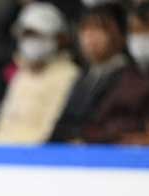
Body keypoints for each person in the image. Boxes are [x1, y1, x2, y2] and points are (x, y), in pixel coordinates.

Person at [0, 2, 80, 144]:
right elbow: (3, 124)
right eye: (26, 35)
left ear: (59, 38)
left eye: (37, 35)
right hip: (3, 148)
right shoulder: (22, 74)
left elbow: (47, 133)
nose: (30, 42)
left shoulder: (69, 75)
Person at [82, 1, 149, 144]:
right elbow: (96, 121)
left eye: (148, 30)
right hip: (110, 147)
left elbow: (148, 131)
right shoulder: (125, 74)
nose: (141, 39)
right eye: (135, 31)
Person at [50, 4, 127, 142]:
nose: (90, 36)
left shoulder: (126, 76)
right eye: (85, 29)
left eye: (99, 29)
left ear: (121, 34)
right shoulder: (83, 75)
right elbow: (63, 121)